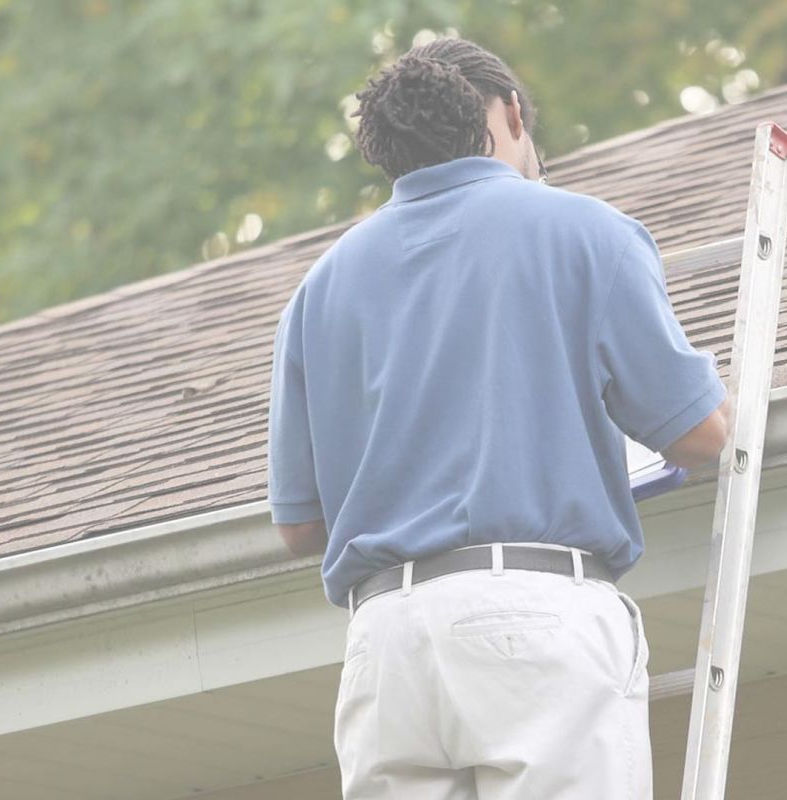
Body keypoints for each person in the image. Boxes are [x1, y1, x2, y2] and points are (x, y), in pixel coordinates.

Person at [265, 36, 729, 800]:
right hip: (533, 618)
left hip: (384, 646)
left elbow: (300, 528)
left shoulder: (320, 289)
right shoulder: (583, 231)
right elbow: (703, 434)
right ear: (511, 113)